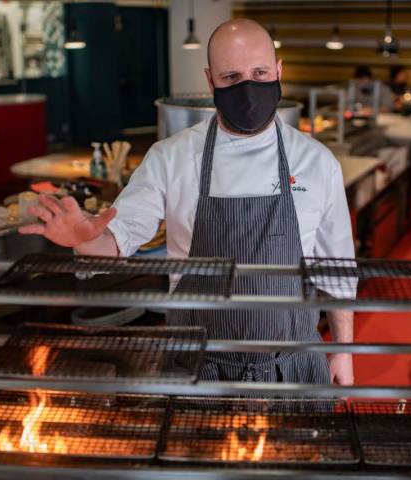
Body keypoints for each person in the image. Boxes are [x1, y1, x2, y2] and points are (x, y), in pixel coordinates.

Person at [19, 19, 355, 386]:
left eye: (259, 73)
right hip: (196, 368)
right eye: (231, 78)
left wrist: (342, 350)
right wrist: (84, 237)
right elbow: (116, 239)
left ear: (278, 71)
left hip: (291, 367)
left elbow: (336, 270)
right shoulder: (171, 158)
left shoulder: (317, 163)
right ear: (211, 81)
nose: (247, 89)